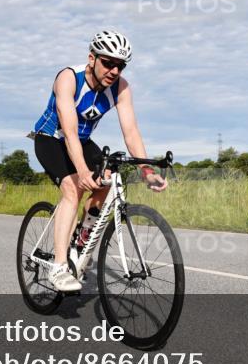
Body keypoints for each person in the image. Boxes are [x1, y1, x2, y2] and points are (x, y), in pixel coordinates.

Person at [30, 30, 166, 292]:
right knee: (73, 188)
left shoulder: (121, 88)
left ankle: (81, 239)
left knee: (108, 180)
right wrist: (81, 171)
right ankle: (58, 267)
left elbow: (131, 132)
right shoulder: (69, 78)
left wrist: (147, 171)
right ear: (92, 58)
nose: (115, 70)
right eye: (109, 62)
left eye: (120, 65)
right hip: (50, 138)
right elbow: (68, 131)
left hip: (81, 141)